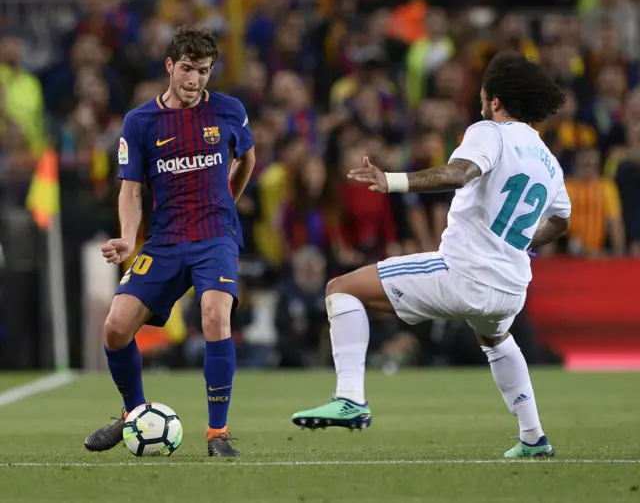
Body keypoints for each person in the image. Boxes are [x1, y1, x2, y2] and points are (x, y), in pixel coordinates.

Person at [291, 51, 571, 459]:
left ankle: (349, 398)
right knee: (495, 339)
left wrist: (393, 179)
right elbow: (561, 222)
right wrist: (525, 240)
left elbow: (459, 173)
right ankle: (533, 437)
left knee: (342, 289)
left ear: (494, 100)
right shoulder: (549, 162)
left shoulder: (490, 132)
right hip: (511, 287)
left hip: (464, 273)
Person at [84, 26, 255, 457]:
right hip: (164, 240)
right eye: (186, 69)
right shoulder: (139, 122)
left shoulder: (229, 111)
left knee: (215, 314)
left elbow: (247, 157)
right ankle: (133, 415)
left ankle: (218, 434)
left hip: (215, 237)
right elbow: (131, 189)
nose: (194, 80)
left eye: (203, 71)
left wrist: (228, 203)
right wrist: (127, 237)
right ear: (169, 66)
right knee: (116, 326)